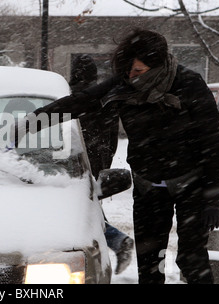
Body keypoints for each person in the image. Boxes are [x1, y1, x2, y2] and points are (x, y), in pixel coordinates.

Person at [15, 28, 219, 284]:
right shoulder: (123, 84)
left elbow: (213, 140)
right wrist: (30, 122)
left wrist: (213, 198)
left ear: (157, 65)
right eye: (128, 70)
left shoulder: (189, 84)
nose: (131, 76)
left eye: (138, 71)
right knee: (151, 261)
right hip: (148, 186)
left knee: (191, 258)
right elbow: (79, 102)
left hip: (191, 185)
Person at [69, 54, 134, 275]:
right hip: (96, 162)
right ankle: (118, 241)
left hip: (72, 164)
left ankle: (117, 241)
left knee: (84, 213)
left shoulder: (73, 97)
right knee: (89, 209)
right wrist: (103, 161)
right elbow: (111, 136)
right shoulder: (105, 98)